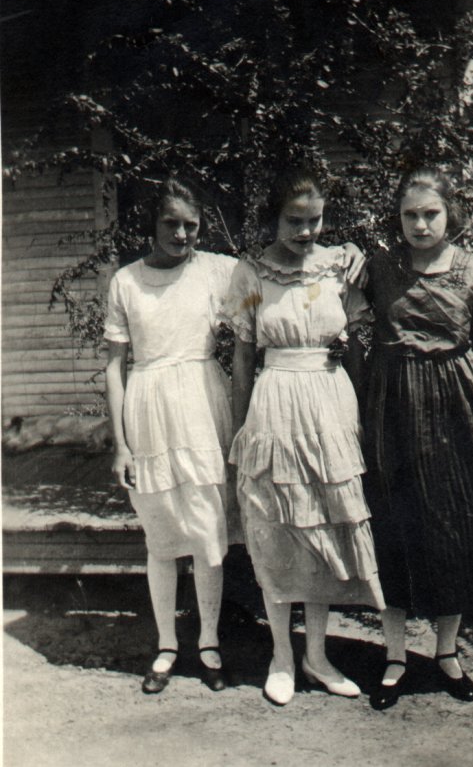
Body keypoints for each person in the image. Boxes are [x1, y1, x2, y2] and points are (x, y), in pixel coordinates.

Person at [104, 174, 367, 695]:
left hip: (203, 404)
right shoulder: (125, 283)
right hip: (149, 408)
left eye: (191, 226)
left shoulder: (221, 271)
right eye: (170, 224)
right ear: (150, 224)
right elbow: (115, 367)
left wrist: (353, 247)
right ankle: (165, 646)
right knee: (160, 537)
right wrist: (121, 444)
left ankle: (207, 643)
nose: (181, 235)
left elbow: (285, 271)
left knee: (206, 532)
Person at [365, 166, 473, 710]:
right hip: (394, 409)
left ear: (449, 214)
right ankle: (392, 656)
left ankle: (447, 653)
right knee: (395, 526)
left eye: (430, 213)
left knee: (453, 528)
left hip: (458, 410)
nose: (419, 223)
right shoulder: (380, 268)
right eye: (409, 214)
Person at [225, 167, 385, 706]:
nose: (306, 231)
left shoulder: (341, 265)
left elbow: (358, 338)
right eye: (295, 220)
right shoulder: (250, 274)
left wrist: (362, 415)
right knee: (277, 526)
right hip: (275, 400)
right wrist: (241, 427)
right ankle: (282, 656)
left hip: (330, 398)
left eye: (315, 220)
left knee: (324, 524)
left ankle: (317, 656)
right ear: (275, 218)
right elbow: (244, 355)